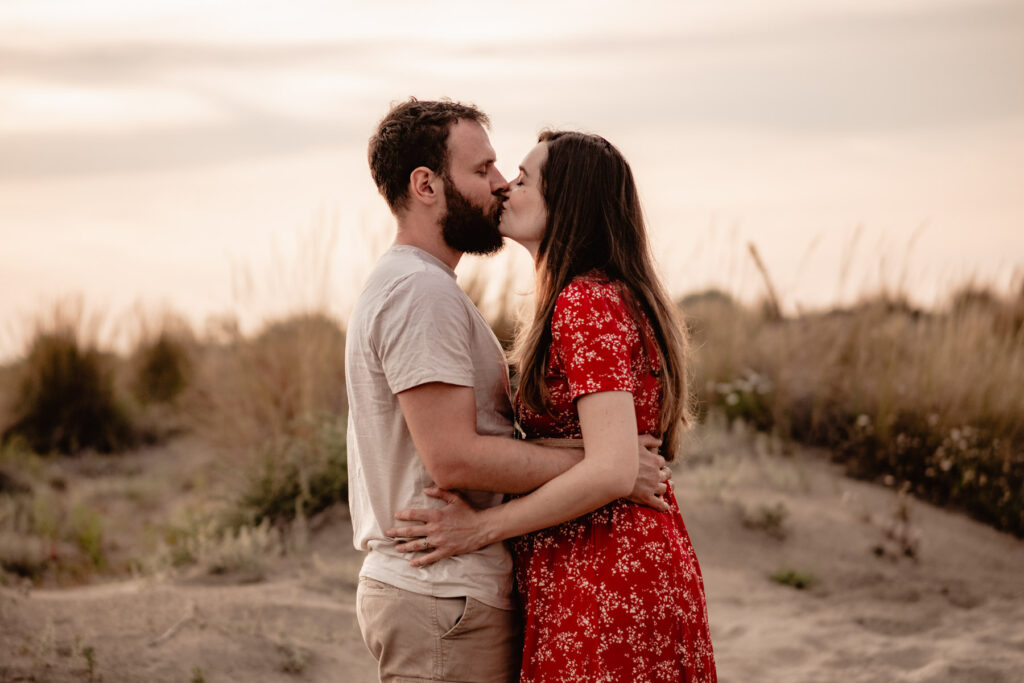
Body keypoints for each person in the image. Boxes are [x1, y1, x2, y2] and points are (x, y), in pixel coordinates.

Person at [347, 100, 671, 683]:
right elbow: (455, 457)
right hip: (441, 589)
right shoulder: (421, 292)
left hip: (480, 587)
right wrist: (604, 459)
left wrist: (611, 458)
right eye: (485, 171)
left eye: (513, 175)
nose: (499, 186)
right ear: (426, 184)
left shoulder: (434, 288)